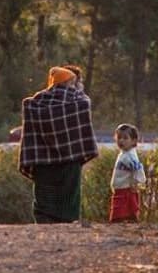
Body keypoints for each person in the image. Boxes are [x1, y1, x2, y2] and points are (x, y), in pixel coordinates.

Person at [18, 66, 98, 223]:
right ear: (69, 82)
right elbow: (85, 104)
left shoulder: (34, 104)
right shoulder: (79, 102)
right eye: (74, 82)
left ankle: (43, 220)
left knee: (44, 195)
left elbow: (30, 134)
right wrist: (79, 90)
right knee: (68, 196)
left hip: (42, 161)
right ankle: (67, 221)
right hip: (70, 160)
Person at [109, 123, 146, 223]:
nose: (121, 141)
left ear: (133, 141)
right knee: (125, 214)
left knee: (121, 215)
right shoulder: (124, 153)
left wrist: (136, 183)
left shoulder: (129, 156)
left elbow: (138, 169)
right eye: (119, 137)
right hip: (121, 188)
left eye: (125, 138)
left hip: (125, 190)